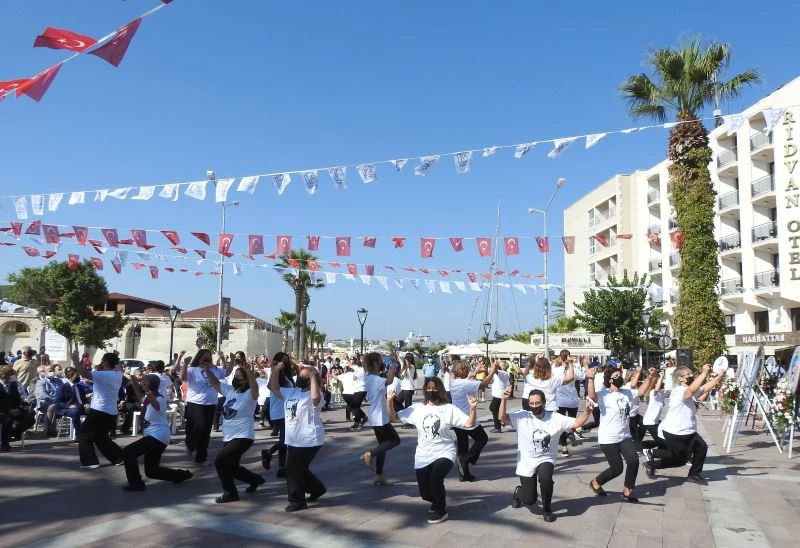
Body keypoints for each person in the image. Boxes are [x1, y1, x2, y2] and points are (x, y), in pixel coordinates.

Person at [388, 376, 478, 524]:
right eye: (429, 388)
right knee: (425, 493)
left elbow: (468, 424)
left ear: (440, 390)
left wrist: (473, 409)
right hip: (423, 455)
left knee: (435, 479)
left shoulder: (449, 409)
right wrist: (389, 401)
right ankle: (436, 500)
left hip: (444, 452)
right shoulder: (417, 408)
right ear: (425, 390)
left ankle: (441, 510)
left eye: (435, 388)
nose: (432, 391)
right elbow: (394, 418)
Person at [499, 387, 594, 522]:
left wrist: (587, 412)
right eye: (531, 404)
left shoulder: (555, 418)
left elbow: (576, 423)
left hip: (546, 458)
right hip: (526, 462)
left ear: (543, 403)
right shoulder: (522, 416)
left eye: (537, 403)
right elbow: (502, 417)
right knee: (530, 500)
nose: (534, 406)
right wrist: (504, 400)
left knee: (545, 478)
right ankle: (518, 492)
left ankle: (547, 508)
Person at [645, 364, 726, 484]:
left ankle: (694, 474)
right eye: (687, 374)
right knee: (679, 460)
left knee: (702, 447)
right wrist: (703, 373)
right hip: (675, 432)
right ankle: (651, 464)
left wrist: (719, 376)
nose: (691, 375)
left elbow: (704, 388)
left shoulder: (689, 390)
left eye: (691, 373)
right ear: (680, 378)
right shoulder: (678, 391)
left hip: (689, 430)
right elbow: (691, 390)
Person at [587, 366, 655, 502]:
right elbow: (592, 395)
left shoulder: (627, 392)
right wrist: (590, 378)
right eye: (616, 376)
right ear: (610, 380)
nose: (620, 378)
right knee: (617, 469)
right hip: (608, 438)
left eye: (620, 375)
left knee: (634, 461)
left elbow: (641, 391)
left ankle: (627, 491)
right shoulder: (604, 394)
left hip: (624, 436)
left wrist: (649, 377)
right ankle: (595, 482)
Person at [205, 354, 265, 502]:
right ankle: (255, 480)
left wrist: (248, 371)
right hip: (229, 436)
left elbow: (255, 386)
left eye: (239, 377)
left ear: (245, 380)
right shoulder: (230, 391)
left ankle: (230, 492)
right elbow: (215, 384)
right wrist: (207, 369)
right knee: (232, 467)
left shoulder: (250, 395)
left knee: (220, 461)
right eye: (235, 376)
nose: (236, 379)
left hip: (243, 436)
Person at [270, 358, 327, 512]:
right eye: (299, 376)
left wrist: (314, 375)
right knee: (299, 468)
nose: (300, 379)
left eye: (304, 377)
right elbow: (274, 388)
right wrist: (276, 370)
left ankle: (297, 501)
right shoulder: (292, 391)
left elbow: (315, 399)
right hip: (293, 439)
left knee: (292, 468)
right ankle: (317, 489)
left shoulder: (316, 394)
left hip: (310, 438)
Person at [121, 374, 193, 491]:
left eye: (144, 382)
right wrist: (134, 382)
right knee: (152, 471)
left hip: (158, 436)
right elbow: (139, 395)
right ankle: (181, 475)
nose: (141, 383)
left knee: (128, 452)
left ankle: (136, 484)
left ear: (149, 384)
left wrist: (148, 390)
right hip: (155, 436)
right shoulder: (146, 398)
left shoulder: (160, 398)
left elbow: (156, 405)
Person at [74, 353, 125, 468]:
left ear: (106, 362)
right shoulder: (118, 375)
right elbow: (119, 368)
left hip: (99, 409)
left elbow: (83, 374)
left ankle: (90, 462)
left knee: (83, 434)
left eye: (103, 360)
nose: (101, 362)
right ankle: (119, 457)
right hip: (111, 411)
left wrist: (75, 360)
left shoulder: (101, 375)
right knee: (100, 437)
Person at [449, 358, 496, 481]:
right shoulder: (464, 384)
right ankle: (467, 459)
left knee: (463, 445)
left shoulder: (452, 381)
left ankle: (464, 475)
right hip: (467, 417)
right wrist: (492, 370)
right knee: (482, 439)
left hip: (456, 419)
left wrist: (476, 370)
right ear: (464, 371)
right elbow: (484, 384)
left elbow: (468, 378)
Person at [360, 352, 401, 486]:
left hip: (377, 415)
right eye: (379, 362)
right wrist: (394, 363)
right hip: (379, 417)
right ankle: (369, 454)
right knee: (394, 440)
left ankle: (379, 475)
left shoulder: (369, 377)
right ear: (375, 364)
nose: (382, 364)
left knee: (383, 446)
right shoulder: (376, 380)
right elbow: (389, 381)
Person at [180, 349, 227, 464]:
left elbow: (227, 372)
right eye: (204, 358)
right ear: (199, 359)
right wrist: (185, 363)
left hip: (211, 403)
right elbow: (182, 377)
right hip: (195, 402)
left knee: (206, 431)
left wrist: (223, 360)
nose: (206, 361)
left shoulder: (214, 369)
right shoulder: (193, 369)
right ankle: (190, 445)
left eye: (208, 358)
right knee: (200, 425)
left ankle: (201, 458)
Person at [261, 352, 295, 477]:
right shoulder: (275, 372)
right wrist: (276, 369)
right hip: (280, 410)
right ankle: (269, 453)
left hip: (288, 410)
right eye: (282, 360)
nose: (284, 363)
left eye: (286, 360)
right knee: (286, 439)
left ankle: (281, 468)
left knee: (284, 439)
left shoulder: (286, 374)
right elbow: (270, 386)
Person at [555, 353, 585, 457]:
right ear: (569, 357)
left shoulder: (555, 370)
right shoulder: (575, 370)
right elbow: (584, 376)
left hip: (560, 400)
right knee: (572, 422)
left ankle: (564, 448)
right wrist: (574, 364)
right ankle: (571, 433)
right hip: (572, 400)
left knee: (562, 424)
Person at [0, 365, 35, 451]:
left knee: (30, 419)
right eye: (9, 375)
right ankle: (4, 443)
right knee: (6, 420)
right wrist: (9, 410)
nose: (11, 377)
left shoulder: (13, 384)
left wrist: (17, 408)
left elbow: (17, 400)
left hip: (13, 410)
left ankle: (13, 434)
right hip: (2, 411)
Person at [34, 364, 64, 436]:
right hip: (45, 403)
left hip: (60, 402)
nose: (52, 372)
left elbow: (64, 391)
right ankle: (50, 430)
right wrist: (55, 400)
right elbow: (42, 395)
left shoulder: (59, 381)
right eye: (50, 371)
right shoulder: (41, 382)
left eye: (53, 370)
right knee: (52, 406)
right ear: (44, 372)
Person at [56, 367, 89, 432]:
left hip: (81, 407)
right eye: (76, 376)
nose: (78, 377)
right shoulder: (62, 388)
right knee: (75, 411)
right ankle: (79, 433)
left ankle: (93, 433)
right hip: (67, 409)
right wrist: (68, 406)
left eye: (78, 375)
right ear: (70, 377)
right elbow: (57, 402)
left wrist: (86, 404)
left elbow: (84, 399)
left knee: (94, 411)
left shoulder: (80, 387)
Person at [489, 360, 511, 433]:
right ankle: (502, 421)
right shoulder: (505, 373)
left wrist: (493, 362)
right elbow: (493, 368)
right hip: (500, 394)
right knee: (496, 409)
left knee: (493, 409)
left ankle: (498, 427)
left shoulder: (501, 373)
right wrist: (491, 360)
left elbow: (494, 369)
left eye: (499, 364)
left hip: (498, 395)